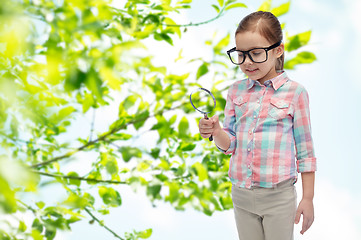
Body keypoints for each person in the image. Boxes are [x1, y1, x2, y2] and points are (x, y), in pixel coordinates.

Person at [198, 11, 317, 240]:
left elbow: (305, 151)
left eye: (256, 54)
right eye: (241, 55)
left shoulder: (296, 93)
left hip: (279, 197)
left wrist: (308, 198)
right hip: (241, 195)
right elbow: (229, 144)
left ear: (278, 50)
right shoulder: (235, 91)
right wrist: (216, 132)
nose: (248, 62)